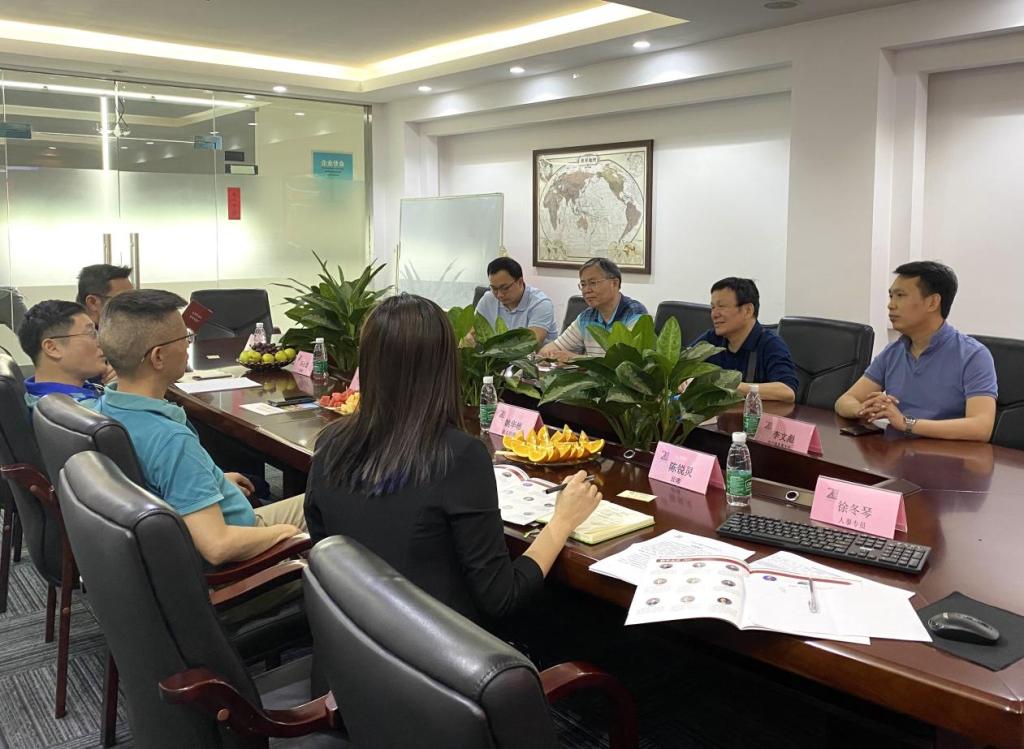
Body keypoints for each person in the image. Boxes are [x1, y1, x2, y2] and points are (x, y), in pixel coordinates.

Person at [304, 293, 602, 625]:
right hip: (436, 650)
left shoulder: (330, 442)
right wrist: (562, 521)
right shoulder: (458, 455)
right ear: (444, 366)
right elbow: (502, 597)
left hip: (351, 639)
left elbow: (326, 552)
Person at [97, 289, 305, 565]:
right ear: (158, 357)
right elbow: (218, 546)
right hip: (240, 542)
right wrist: (290, 534)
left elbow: (166, 478)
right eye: (184, 338)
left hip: (205, 517)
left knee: (324, 501)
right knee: (336, 504)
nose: (188, 346)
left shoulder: (105, 406)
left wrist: (213, 479)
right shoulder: (171, 440)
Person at [835, 261, 997, 442]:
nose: (891, 305)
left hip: (948, 454)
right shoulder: (893, 352)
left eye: (900, 296)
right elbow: (845, 400)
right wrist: (864, 409)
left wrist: (907, 423)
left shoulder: (973, 355)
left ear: (932, 303)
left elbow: (981, 427)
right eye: (891, 296)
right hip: (898, 452)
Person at [689, 277, 798, 402]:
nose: (714, 314)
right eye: (713, 307)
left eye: (721, 306)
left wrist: (730, 385)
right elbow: (681, 364)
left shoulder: (770, 343)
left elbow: (787, 391)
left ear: (748, 311)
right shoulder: (712, 339)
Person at [538, 258, 648, 361]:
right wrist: (550, 355)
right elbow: (550, 349)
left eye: (593, 283)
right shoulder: (587, 317)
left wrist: (575, 359)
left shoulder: (634, 313)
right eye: (583, 284)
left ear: (614, 283)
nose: (586, 290)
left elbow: (624, 364)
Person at [16, 300, 107, 409]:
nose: (101, 342)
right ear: (52, 348)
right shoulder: (82, 410)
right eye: (91, 333)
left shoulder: (34, 395)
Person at [474, 257, 558, 346]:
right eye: (494, 288)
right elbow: (472, 332)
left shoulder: (540, 304)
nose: (499, 295)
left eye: (505, 288)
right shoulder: (488, 299)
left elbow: (531, 343)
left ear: (520, 282)